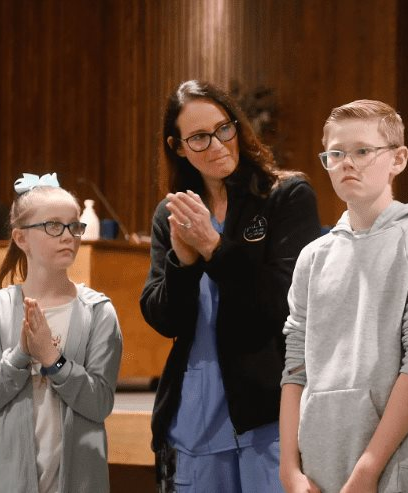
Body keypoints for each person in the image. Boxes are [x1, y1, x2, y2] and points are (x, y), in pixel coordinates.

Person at [140, 80, 321, 493]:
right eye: (200, 138)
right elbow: (163, 317)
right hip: (193, 416)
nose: (218, 144)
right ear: (178, 146)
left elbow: (286, 303)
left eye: (224, 129)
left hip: (268, 414)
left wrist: (213, 247)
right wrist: (182, 264)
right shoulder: (173, 213)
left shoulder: (284, 195)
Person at [279, 100, 408, 493]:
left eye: (362, 151)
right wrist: (288, 467)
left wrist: (368, 469)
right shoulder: (313, 258)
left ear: (398, 159)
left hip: (389, 467)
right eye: (336, 154)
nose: (347, 163)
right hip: (315, 467)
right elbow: (295, 366)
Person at [0, 172, 123, 492]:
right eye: (53, 226)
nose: (68, 235)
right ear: (21, 238)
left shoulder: (97, 312)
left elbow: (100, 404)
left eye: (74, 225)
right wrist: (20, 356)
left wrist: (53, 359)